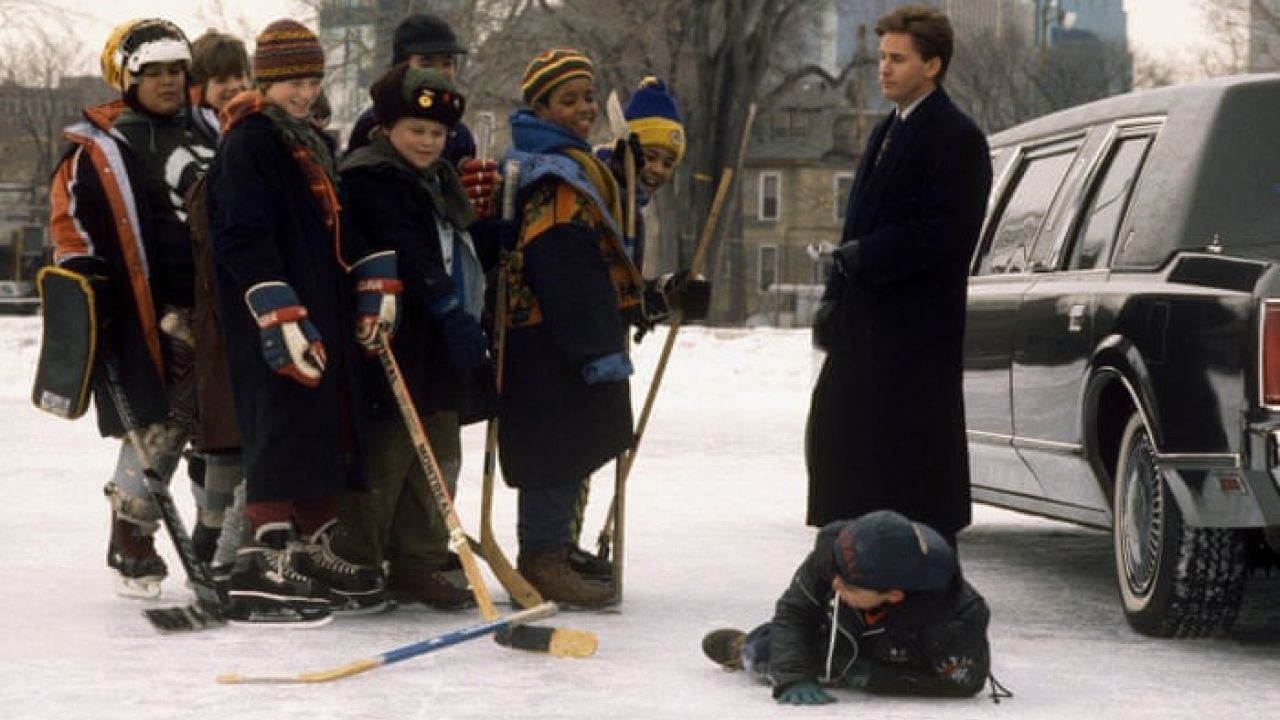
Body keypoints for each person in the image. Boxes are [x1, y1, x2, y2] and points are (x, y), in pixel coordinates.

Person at [497, 49, 706, 607]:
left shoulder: (583, 172)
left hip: (569, 337)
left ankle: (558, 548)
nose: (584, 108)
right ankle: (543, 554)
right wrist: (596, 346)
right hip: (548, 339)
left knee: (578, 442)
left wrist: (660, 297)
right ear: (540, 106)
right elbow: (564, 267)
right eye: (568, 100)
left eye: (589, 97)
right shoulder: (557, 178)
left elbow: (610, 273)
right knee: (556, 449)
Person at [208, 18, 385, 625]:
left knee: (322, 421)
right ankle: (265, 552)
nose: (305, 93)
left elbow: (339, 223)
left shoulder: (308, 139)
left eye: (312, 80)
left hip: (322, 305)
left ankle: (313, 544)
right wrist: (276, 307)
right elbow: (239, 233)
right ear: (266, 82)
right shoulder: (251, 141)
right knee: (282, 419)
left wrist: (372, 275)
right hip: (276, 312)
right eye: (292, 83)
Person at [805, 5, 992, 545]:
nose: (883, 69)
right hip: (862, 331)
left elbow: (950, 233)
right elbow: (855, 224)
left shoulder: (956, 138)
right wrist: (836, 296)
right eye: (882, 57)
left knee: (910, 483)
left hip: (914, 341)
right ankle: (849, 576)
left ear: (932, 66)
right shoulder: (886, 130)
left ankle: (914, 592)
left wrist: (869, 255)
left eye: (897, 58)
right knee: (841, 453)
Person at [48, 18, 216, 599]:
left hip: (216, 307)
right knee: (158, 426)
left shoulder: (212, 129)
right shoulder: (97, 147)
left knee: (222, 428)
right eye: (154, 72)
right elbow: (69, 227)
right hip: (149, 310)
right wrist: (85, 278)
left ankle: (214, 539)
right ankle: (133, 534)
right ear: (127, 77)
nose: (169, 82)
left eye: (177, 70)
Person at [334, 63, 504, 610]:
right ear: (387, 129)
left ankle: (419, 557)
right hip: (395, 333)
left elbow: (461, 240)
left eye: (438, 134)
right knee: (389, 449)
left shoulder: (440, 180)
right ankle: (361, 556)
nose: (429, 142)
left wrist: (500, 233)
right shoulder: (371, 177)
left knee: (439, 446)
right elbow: (409, 248)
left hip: (440, 341)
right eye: (417, 131)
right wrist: (449, 308)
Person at [701, 510, 992, 702]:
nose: (835, 585)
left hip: (901, 659)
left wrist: (875, 679)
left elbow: (963, 684)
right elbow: (795, 611)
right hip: (837, 638)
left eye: (849, 587)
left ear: (893, 595)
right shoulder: (833, 557)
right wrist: (793, 677)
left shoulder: (958, 617)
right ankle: (744, 647)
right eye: (834, 575)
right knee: (766, 650)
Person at [183, 28, 252, 575]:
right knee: (216, 434)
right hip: (206, 308)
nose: (231, 88)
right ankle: (209, 536)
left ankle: (226, 539)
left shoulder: (247, 134)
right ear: (199, 88)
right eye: (220, 80)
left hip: (238, 308)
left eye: (238, 78)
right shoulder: (195, 142)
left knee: (237, 428)